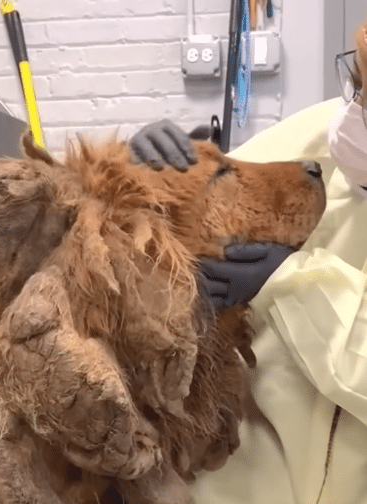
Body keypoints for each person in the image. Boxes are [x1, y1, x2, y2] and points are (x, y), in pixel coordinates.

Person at [129, 18, 367, 504]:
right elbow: (212, 196)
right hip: (226, 474)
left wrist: (290, 279)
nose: (353, 108)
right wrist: (141, 181)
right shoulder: (332, 127)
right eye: (357, 80)